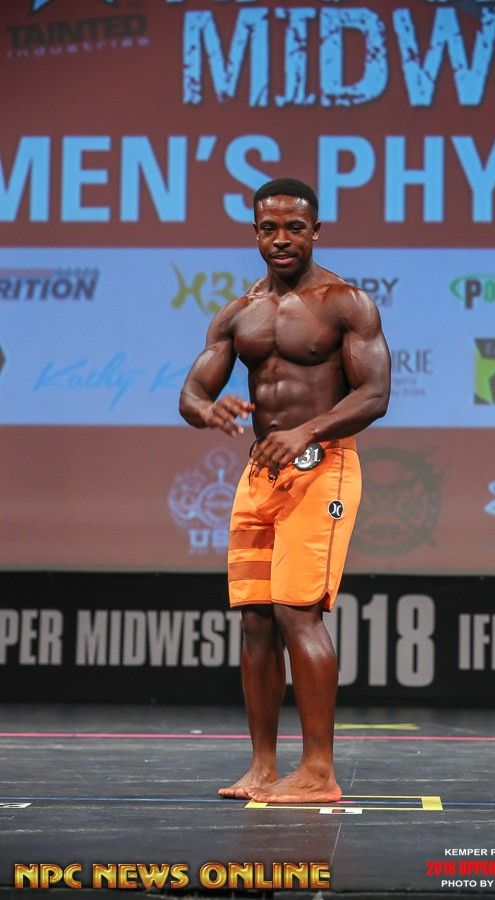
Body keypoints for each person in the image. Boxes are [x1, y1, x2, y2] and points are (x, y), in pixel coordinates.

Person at [179, 178, 390, 803]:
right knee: (256, 620)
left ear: (315, 231)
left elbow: (375, 394)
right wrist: (208, 411)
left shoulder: (345, 303)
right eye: (269, 228)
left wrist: (305, 430)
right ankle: (263, 768)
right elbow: (192, 393)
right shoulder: (238, 313)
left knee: (298, 612)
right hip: (261, 473)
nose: (281, 238)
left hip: (323, 466)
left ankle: (319, 772)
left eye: (294, 227)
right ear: (254, 233)